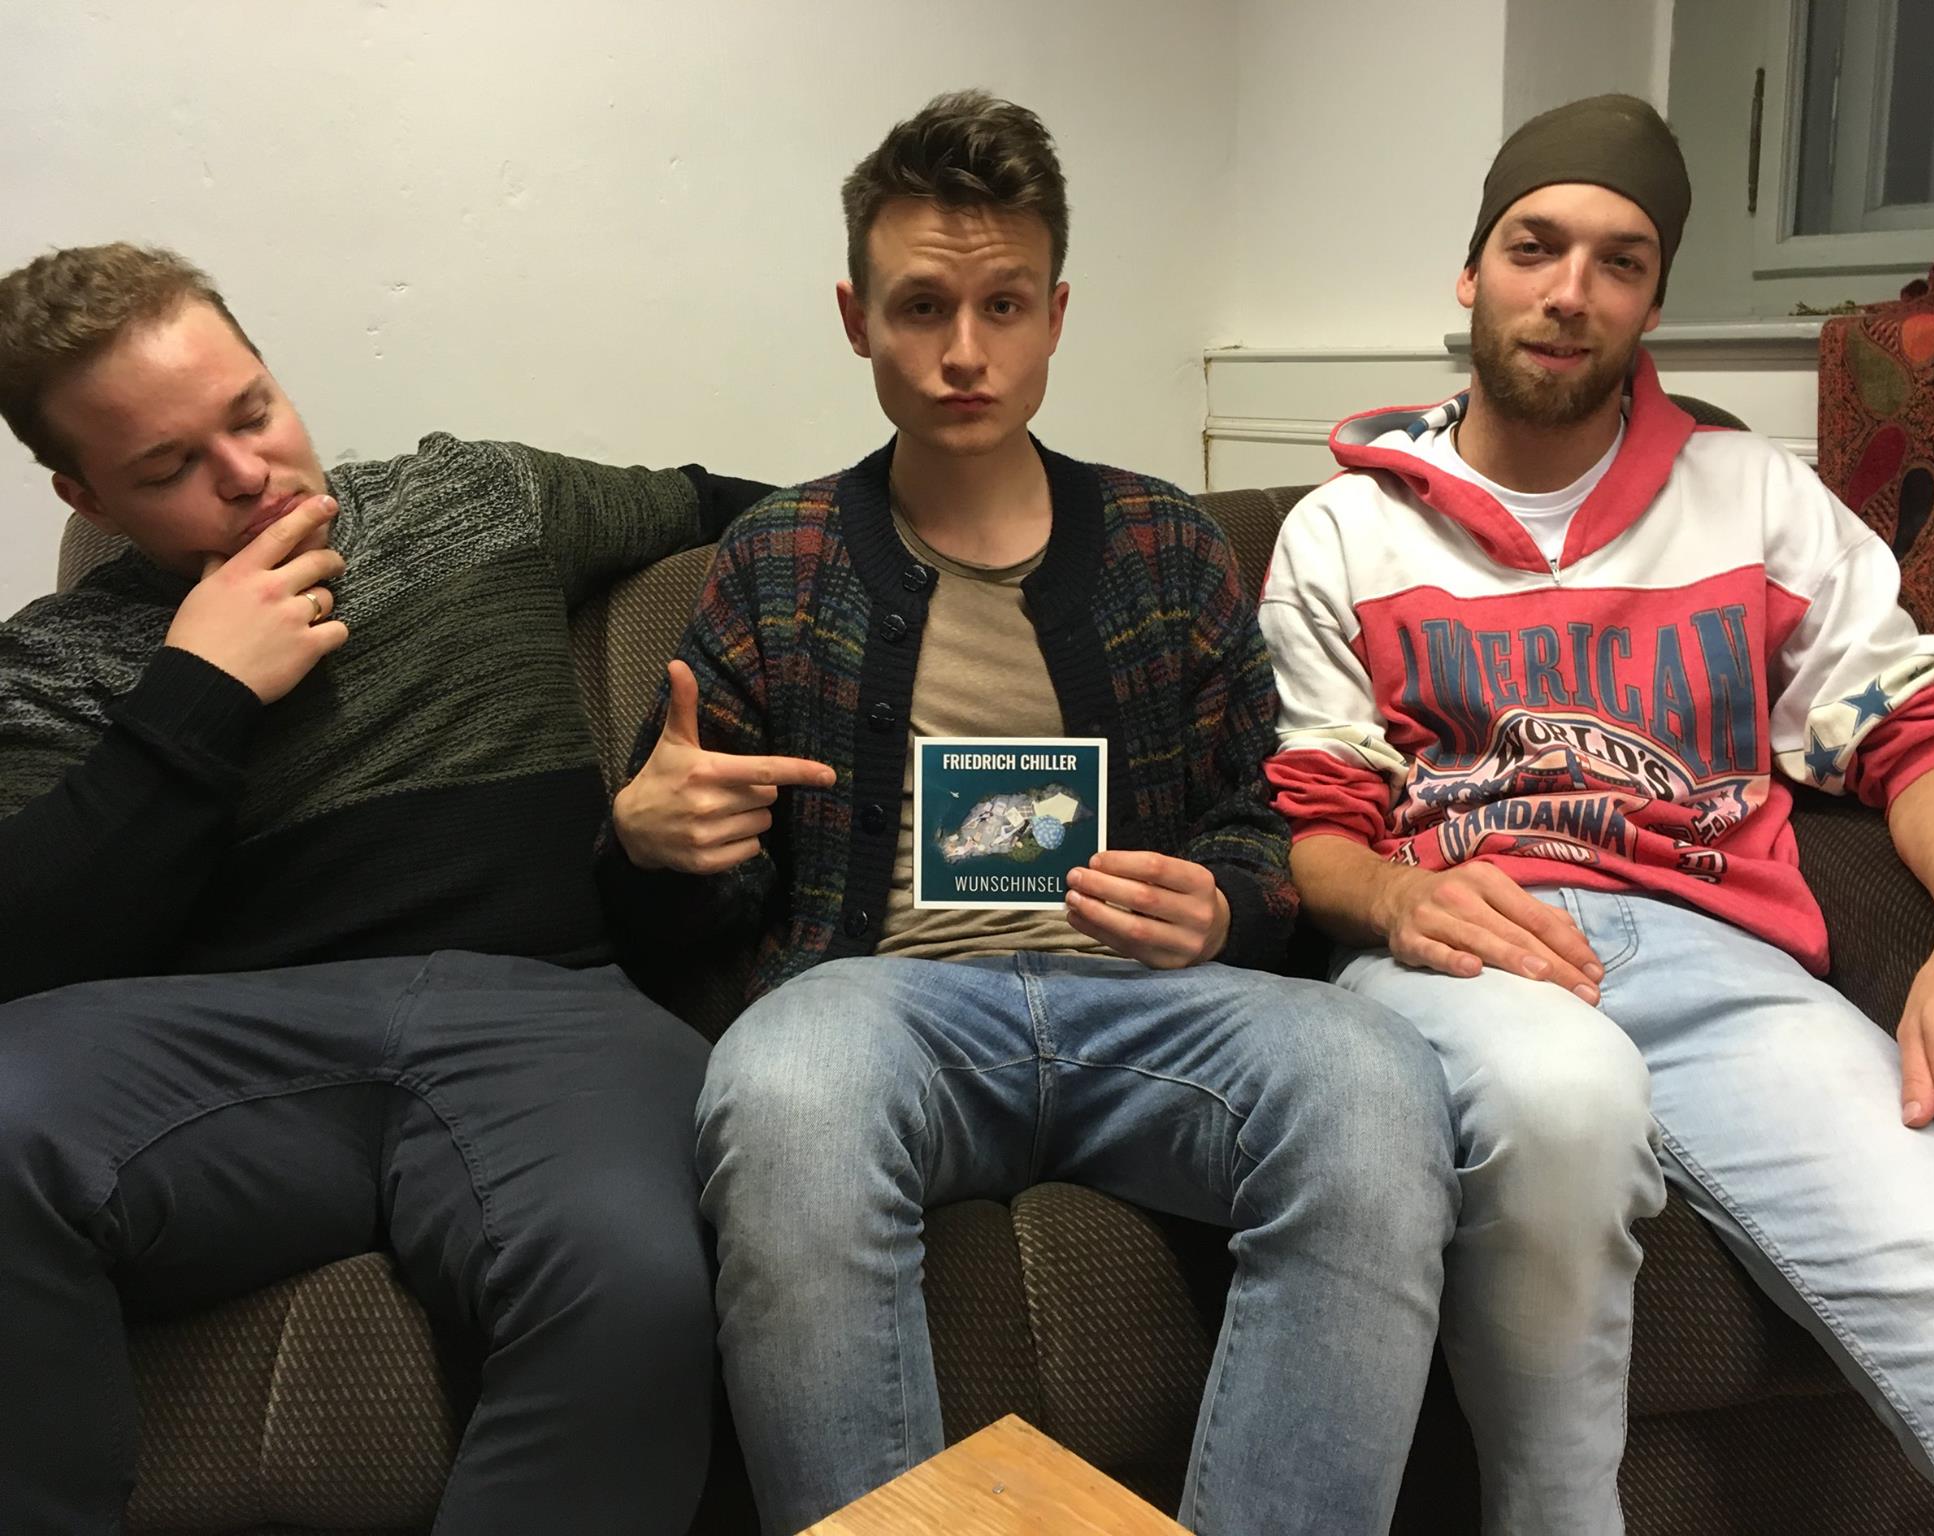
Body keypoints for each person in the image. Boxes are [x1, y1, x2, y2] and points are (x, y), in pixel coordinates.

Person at [603, 90, 1456, 1536]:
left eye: (1003, 305)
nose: (963, 353)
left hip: (1149, 1016)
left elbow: (1260, 824)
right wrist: (654, 845)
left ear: (1057, 314)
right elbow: (680, 887)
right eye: (921, 307)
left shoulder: (1168, 544)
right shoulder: (777, 557)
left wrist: (1222, 901)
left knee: (1377, 1080)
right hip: (879, 1012)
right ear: (855, 319)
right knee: (784, 1092)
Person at [1260, 93, 1934, 1536]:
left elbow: (1926, 725)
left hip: (1723, 969)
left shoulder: (1755, 499)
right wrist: (1398, 897)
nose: (1570, 292)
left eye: (1618, 262)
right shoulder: (1344, 532)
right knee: (1563, 1101)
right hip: (1466, 951)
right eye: (1534, 247)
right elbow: (1316, 825)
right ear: (1471, 271)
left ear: (1654, 298)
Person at [0, 242, 763, 1533]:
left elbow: (751, 510)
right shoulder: (53, 664)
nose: (247, 476)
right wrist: (198, 693)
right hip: (222, 1059)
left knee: (634, 1278)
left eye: (252, 413)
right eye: (171, 468)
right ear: (88, 496)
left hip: (546, 1012)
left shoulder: (476, 499)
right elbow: (27, 956)